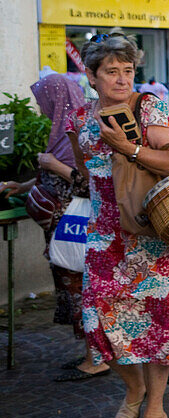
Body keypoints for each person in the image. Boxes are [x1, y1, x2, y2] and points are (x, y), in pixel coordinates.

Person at [65, 35, 169, 418]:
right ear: (92, 75)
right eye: (111, 72)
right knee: (100, 323)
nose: (121, 79)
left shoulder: (149, 106)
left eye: (127, 71)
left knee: (159, 324)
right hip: (104, 234)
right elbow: (85, 170)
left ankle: (156, 407)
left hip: (150, 232)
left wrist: (129, 148)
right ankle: (134, 389)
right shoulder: (83, 117)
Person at [0, 74, 105, 381]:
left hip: (74, 229)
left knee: (81, 291)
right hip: (62, 232)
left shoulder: (80, 130)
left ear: (57, 100)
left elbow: (89, 181)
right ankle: (92, 353)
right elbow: (53, 176)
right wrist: (24, 186)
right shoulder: (61, 131)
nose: (41, 107)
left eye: (44, 100)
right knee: (73, 289)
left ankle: (95, 358)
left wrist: (53, 166)